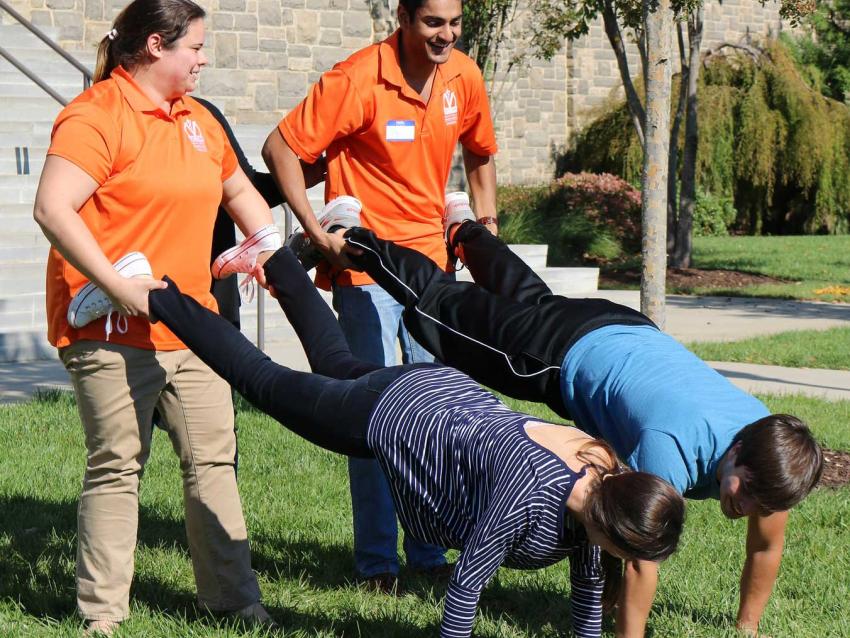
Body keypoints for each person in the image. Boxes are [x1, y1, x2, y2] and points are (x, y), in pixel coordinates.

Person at [140, 244, 685, 638]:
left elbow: (589, 599)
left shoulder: (604, 479)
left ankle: (278, 260)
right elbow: (466, 588)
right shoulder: (533, 493)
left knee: (337, 364)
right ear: (614, 530)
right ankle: (155, 294)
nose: (635, 567)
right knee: (265, 381)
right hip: (398, 413)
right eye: (632, 554)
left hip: (441, 392)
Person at [314, 217, 824, 637]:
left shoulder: (769, 445)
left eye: (763, 503)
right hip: (556, 355)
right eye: (747, 492)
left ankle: (467, 233)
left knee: (531, 298)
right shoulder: (671, 451)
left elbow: (765, 545)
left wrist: (747, 629)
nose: (748, 509)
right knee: (441, 309)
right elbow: (637, 560)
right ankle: (353, 241)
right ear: (736, 452)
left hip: (620, 326)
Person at [32, 0, 277, 632]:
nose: (204, 58)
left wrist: (263, 253)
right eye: (194, 47)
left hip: (193, 327)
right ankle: (102, 618)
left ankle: (236, 603)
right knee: (118, 466)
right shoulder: (96, 116)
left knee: (214, 461)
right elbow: (54, 208)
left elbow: (241, 192)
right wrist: (115, 285)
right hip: (110, 330)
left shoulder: (199, 119)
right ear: (154, 48)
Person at [261, 0, 499, 587]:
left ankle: (431, 555)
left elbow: (481, 152)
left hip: (431, 272)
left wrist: (484, 227)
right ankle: (376, 563)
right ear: (403, 17)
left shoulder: (464, 76)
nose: (446, 35)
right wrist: (316, 234)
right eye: (432, 23)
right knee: (373, 416)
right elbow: (281, 148)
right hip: (365, 270)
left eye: (455, 23)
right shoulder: (359, 77)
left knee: (437, 416)